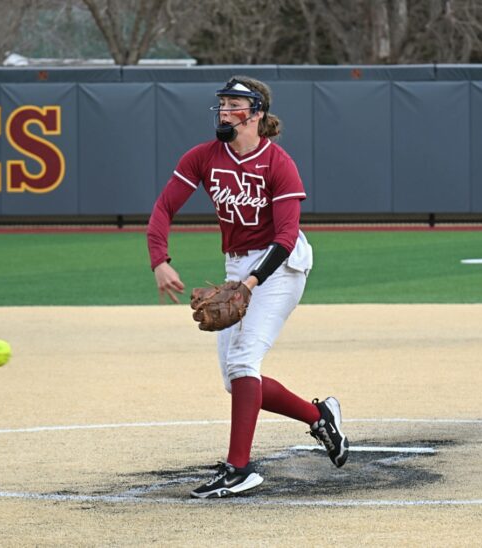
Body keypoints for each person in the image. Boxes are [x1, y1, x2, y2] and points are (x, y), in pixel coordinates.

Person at [146, 76, 350, 499]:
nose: (224, 112)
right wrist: (159, 260)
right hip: (238, 264)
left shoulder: (278, 163)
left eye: (234, 105)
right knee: (236, 379)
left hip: (282, 266)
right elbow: (164, 207)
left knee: (242, 362)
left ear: (256, 113)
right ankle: (319, 416)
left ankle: (240, 469)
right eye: (221, 104)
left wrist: (250, 284)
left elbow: (287, 237)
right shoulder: (204, 157)